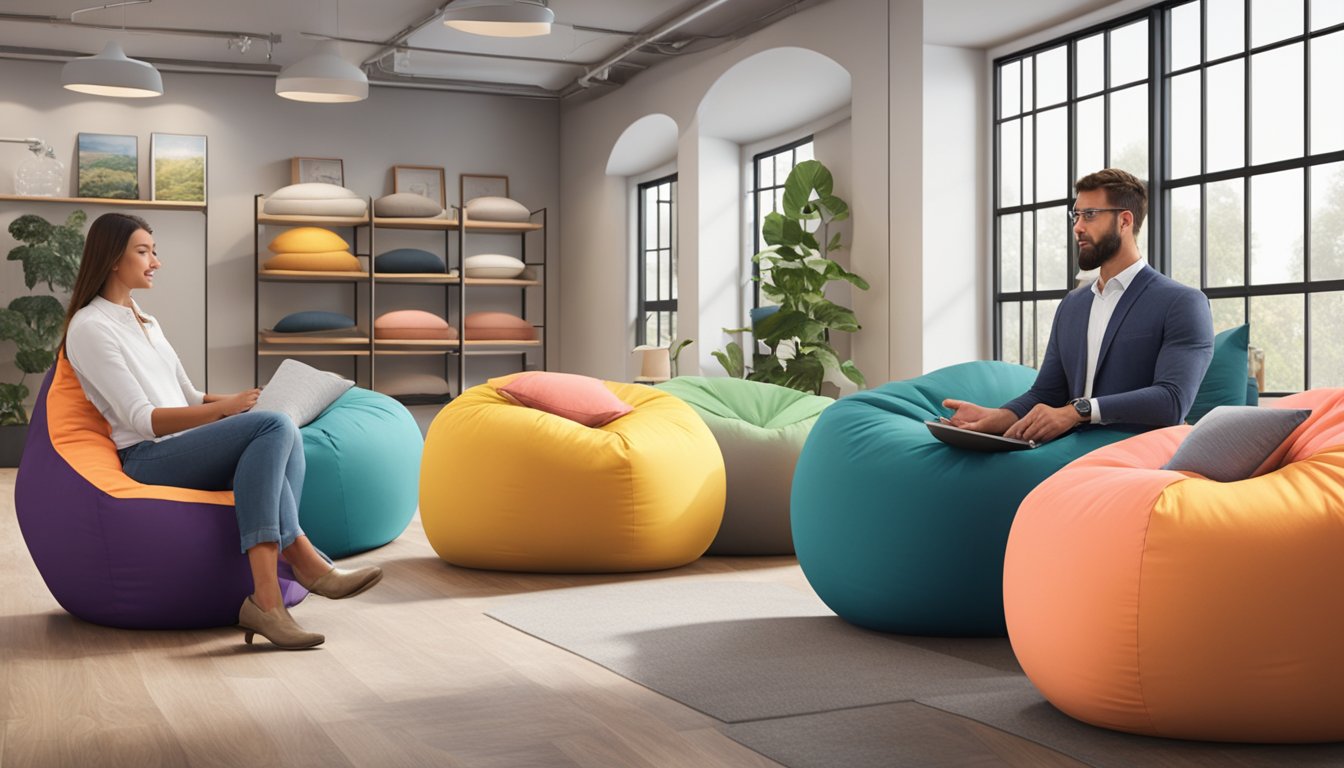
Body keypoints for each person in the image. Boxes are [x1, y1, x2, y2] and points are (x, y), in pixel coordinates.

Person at [61, 212, 382, 650]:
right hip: (147, 457)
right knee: (271, 426)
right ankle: (290, 577)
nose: (155, 261)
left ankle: (277, 592)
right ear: (112, 258)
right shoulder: (90, 327)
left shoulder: (144, 320)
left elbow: (188, 396)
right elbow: (143, 419)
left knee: (279, 422)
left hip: (182, 447)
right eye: (143, 252)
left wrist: (244, 400)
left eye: (154, 251)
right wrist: (227, 413)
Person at [944, 168, 1213, 444]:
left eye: (1090, 215)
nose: (1078, 227)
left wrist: (1078, 411)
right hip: (1070, 449)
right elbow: (1045, 394)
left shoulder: (1182, 303)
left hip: (1138, 453)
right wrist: (992, 418)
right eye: (1076, 215)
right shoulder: (1072, 305)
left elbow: (1172, 401)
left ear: (1124, 221)